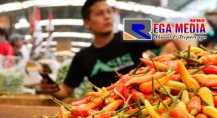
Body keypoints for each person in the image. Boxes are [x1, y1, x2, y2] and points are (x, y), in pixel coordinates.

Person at [41, 0, 197, 99]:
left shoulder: (131, 32)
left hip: (144, 98)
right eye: (100, 13)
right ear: (87, 22)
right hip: (110, 109)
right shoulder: (82, 56)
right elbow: (65, 91)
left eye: (109, 11)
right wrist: (51, 88)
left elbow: (177, 30)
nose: (107, 16)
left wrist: (193, 61)